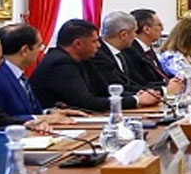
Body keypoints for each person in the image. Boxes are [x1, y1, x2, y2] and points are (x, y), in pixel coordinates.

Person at [30, 19, 159, 111]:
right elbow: (86, 102)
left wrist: (138, 95)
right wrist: (136, 100)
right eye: (94, 41)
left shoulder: (84, 58)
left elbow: (104, 90)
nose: (98, 45)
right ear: (78, 44)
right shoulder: (60, 64)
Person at [0, 24, 85, 123]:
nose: (40, 51)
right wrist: (38, 119)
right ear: (25, 50)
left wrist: (49, 113)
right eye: (39, 46)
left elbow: (29, 111)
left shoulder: (19, 75)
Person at [90, 11, 179, 95]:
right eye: (134, 32)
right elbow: (116, 88)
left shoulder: (120, 53)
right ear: (123, 35)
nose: (135, 36)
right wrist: (164, 90)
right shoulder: (98, 55)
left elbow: (133, 84)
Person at [125, 9, 173, 83]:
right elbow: (141, 82)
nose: (162, 29)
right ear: (147, 29)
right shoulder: (131, 52)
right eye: (159, 25)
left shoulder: (148, 50)